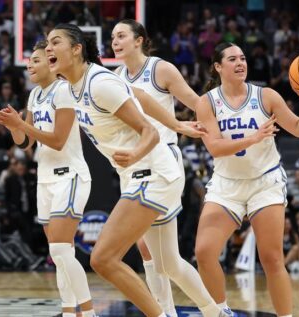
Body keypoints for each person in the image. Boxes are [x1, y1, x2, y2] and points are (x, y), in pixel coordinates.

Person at [45, 23, 224, 317]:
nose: (48, 48)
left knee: (103, 258)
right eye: (45, 44)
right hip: (145, 172)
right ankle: (217, 313)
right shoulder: (80, 85)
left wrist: (137, 151)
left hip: (151, 170)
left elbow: (148, 132)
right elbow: (138, 97)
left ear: (77, 49)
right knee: (167, 262)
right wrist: (177, 124)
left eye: (55, 42)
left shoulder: (99, 82)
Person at [194, 42, 299, 317]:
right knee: (203, 252)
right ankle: (221, 312)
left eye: (243, 58)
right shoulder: (207, 102)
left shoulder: (266, 96)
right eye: (232, 59)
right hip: (227, 184)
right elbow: (214, 147)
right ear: (217, 67)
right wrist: (254, 137)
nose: (240, 63)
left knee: (272, 259)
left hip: (265, 182)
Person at [111, 19, 214, 317]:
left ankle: (209, 310)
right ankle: (170, 312)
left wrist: (216, 134)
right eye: (113, 37)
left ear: (139, 40)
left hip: (160, 162)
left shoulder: (161, 69)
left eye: (121, 36)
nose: (115, 42)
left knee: (162, 256)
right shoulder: (116, 77)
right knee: (152, 253)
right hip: (132, 166)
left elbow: (197, 103)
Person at [0, 40, 96, 317]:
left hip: (70, 176)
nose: (29, 67)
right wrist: (14, 126)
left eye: (35, 61)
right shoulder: (34, 96)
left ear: (51, 62)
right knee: (60, 254)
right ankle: (68, 311)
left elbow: (59, 140)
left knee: (61, 249)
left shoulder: (64, 91)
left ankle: (87, 311)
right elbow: (25, 143)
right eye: (28, 63)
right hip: (46, 179)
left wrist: (21, 125)